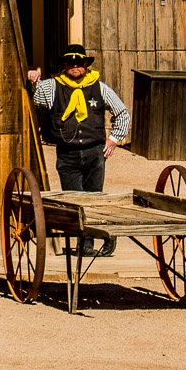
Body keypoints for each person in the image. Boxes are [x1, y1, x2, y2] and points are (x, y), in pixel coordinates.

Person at [28, 45, 131, 254]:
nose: (75, 67)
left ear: (86, 65)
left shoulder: (100, 87)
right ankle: (85, 245)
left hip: (95, 152)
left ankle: (104, 236)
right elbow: (38, 98)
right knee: (74, 202)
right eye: (70, 63)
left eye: (79, 63)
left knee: (94, 199)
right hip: (67, 153)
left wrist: (113, 140)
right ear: (64, 65)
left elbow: (122, 113)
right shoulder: (53, 86)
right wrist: (34, 79)